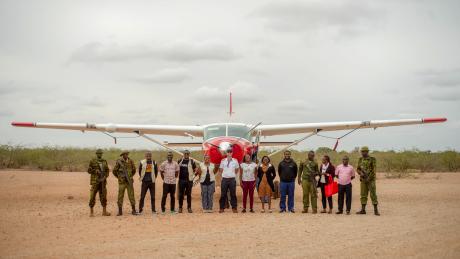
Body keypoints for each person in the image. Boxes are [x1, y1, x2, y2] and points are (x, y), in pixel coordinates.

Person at [113, 151, 139, 216]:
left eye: (127, 154)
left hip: (129, 182)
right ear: (122, 155)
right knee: (120, 196)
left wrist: (130, 176)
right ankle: (120, 211)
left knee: (131, 196)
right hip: (122, 182)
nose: (126, 155)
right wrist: (119, 177)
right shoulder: (119, 162)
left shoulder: (131, 161)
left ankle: (133, 210)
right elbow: (114, 171)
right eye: (125, 154)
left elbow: (134, 170)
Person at [356, 146, 380, 216]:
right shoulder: (360, 159)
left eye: (364, 151)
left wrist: (368, 178)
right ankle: (363, 210)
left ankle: (376, 210)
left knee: (373, 194)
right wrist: (361, 173)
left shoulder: (372, 159)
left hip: (371, 180)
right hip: (363, 180)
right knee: (363, 194)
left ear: (367, 152)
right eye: (362, 151)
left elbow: (374, 170)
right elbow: (358, 169)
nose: (363, 153)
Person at [87, 149, 111, 217]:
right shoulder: (92, 161)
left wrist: (105, 177)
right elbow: (89, 170)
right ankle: (91, 212)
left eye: (101, 153)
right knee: (92, 196)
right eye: (98, 153)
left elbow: (107, 171)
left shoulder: (104, 161)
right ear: (96, 154)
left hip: (103, 182)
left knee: (103, 196)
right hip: (95, 182)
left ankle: (104, 211)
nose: (100, 154)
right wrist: (95, 171)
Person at [218, 149, 239, 213]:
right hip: (224, 179)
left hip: (232, 179)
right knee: (223, 194)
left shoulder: (235, 161)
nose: (229, 153)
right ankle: (222, 208)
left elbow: (237, 169)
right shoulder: (223, 161)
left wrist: (232, 174)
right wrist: (224, 176)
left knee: (233, 194)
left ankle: (234, 208)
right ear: (226, 153)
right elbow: (221, 169)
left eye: (231, 152)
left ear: (232, 153)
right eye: (228, 152)